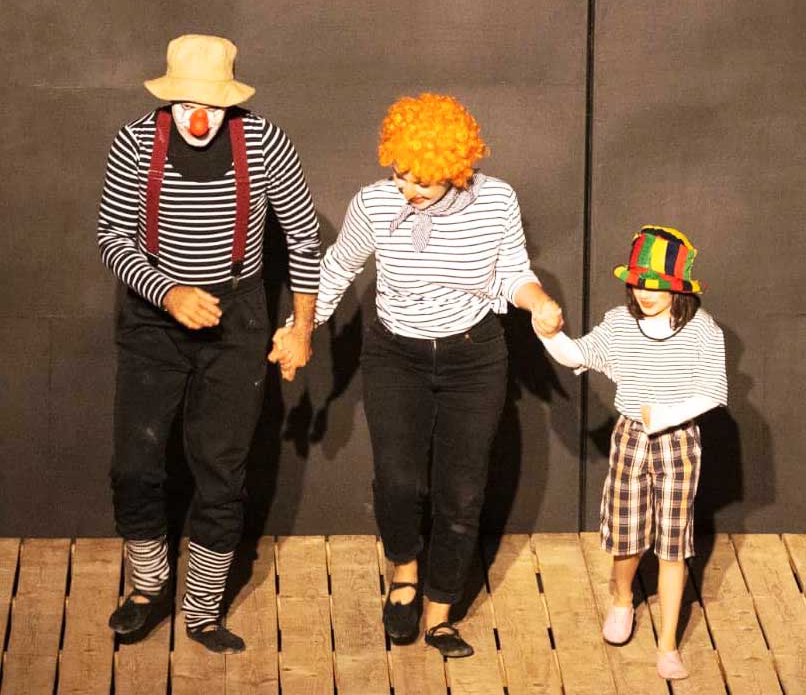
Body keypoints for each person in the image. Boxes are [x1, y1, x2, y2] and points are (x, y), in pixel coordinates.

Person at [272, 93, 562, 657]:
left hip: (473, 357)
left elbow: (512, 273)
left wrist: (539, 302)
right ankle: (404, 572)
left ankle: (440, 610)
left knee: (462, 490)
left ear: (456, 170)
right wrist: (298, 329)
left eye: (422, 181)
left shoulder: (496, 200)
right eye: (400, 174)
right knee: (399, 481)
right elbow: (337, 268)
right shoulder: (374, 204)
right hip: (395, 356)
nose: (408, 189)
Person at [97, 34, 320, 653]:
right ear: (169, 98)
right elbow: (112, 236)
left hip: (236, 318)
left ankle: (202, 609)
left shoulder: (266, 141)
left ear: (232, 101)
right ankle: (148, 589)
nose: (200, 119)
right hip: (153, 319)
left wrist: (302, 328)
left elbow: (303, 239)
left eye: (213, 106)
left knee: (221, 470)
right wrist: (167, 292)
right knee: (136, 465)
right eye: (188, 105)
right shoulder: (135, 141)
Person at [538, 225, 727, 680]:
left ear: (678, 288)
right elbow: (576, 355)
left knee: (673, 545)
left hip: (678, 444)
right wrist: (548, 332)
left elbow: (712, 391)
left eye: (656, 285)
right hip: (630, 440)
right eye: (639, 282)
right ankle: (622, 599)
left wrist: (666, 415)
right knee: (627, 535)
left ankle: (668, 646)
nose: (645, 292)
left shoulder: (702, 330)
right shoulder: (620, 323)